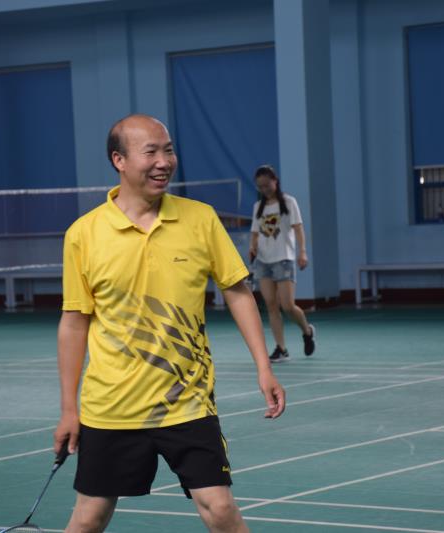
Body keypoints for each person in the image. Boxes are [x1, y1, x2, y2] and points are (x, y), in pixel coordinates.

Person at [53, 114, 286, 533]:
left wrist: (263, 367)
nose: (164, 161)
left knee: (220, 509)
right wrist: (70, 409)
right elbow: (74, 323)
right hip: (112, 408)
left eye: (169, 150)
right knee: (88, 518)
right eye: (151, 152)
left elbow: (237, 292)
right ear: (119, 160)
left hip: (187, 401)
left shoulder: (200, 219)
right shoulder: (83, 234)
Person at [248, 165, 315, 363]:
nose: (264, 189)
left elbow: (298, 228)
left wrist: (302, 252)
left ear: (275, 182)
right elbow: (255, 233)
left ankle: (307, 331)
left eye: (267, 185)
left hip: (284, 259)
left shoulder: (289, 202)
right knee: (271, 305)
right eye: (260, 186)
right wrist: (252, 247)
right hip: (263, 262)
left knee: (288, 306)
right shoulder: (257, 207)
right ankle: (281, 348)